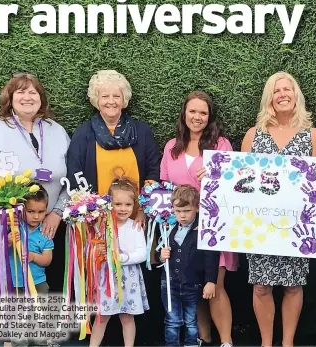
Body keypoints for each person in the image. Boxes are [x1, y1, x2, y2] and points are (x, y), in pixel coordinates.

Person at [240, 71, 316, 347]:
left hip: (296, 224)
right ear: (269, 98)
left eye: (287, 89)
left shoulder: (312, 135)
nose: (282, 94)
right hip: (259, 223)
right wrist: (214, 175)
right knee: (261, 285)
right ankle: (267, 343)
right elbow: (240, 177)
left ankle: (288, 343)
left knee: (293, 285)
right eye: (276, 90)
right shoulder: (253, 135)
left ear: (296, 96)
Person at [0, 73, 70, 292]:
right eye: (20, 92)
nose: (27, 97)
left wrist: (58, 212)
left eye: (32, 92)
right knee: (9, 289)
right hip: (4, 227)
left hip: (47, 225)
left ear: (41, 98)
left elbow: (72, 180)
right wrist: (1, 216)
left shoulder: (57, 131)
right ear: (10, 98)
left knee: (46, 286)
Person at [160, 90, 235, 347]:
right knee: (193, 288)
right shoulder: (172, 147)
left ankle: (226, 342)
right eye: (192, 111)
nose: (197, 117)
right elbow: (163, 188)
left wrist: (216, 176)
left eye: (203, 112)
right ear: (184, 113)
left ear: (210, 116)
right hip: (181, 229)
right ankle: (203, 339)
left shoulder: (221, 145)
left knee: (215, 286)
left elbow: (236, 184)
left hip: (213, 226)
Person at [66, 70, 160, 228]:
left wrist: (143, 210)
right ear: (96, 100)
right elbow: (75, 173)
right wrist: (89, 212)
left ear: (124, 99)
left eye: (116, 96)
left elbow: (153, 171)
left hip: (136, 221)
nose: (111, 101)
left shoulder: (142, 132)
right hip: (97, 222)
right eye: (105, 96)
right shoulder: (84, 134)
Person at [89, 177, 149, 347]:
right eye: (118, 204)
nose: (123, 209)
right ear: (110, 204)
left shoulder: (135, 226)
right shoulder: (100, 226)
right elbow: (92, 250)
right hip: (106, 278)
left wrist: (119, 258)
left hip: (128, 279)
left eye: (128, 205)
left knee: (127, 317)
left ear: (134, 205)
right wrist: (97, 252)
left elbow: (142, 254)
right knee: (102, 316)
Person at [159, 185, 219, 347]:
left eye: (186, 211)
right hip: (170, 284)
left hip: (191, 283)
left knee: (191, 320)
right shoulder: (170, 229)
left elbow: (211, 257)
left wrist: (210, 281)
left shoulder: (203, 230)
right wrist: (162, 256)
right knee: (172, 321)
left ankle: (191, 344)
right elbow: (164, 257)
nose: (182, 215)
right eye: (178, 211)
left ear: (197, 208)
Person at [5, 185, 54, 347]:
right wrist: (10, 240)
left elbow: (47, 260)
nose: (36, 216)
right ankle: (19, 343)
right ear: (21, 210)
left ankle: (41, 342)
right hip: (17, 283)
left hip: (38, 283)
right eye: (31, 211)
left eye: (41, 212)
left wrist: (34, 256)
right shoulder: (14, 229)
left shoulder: (45, 233)